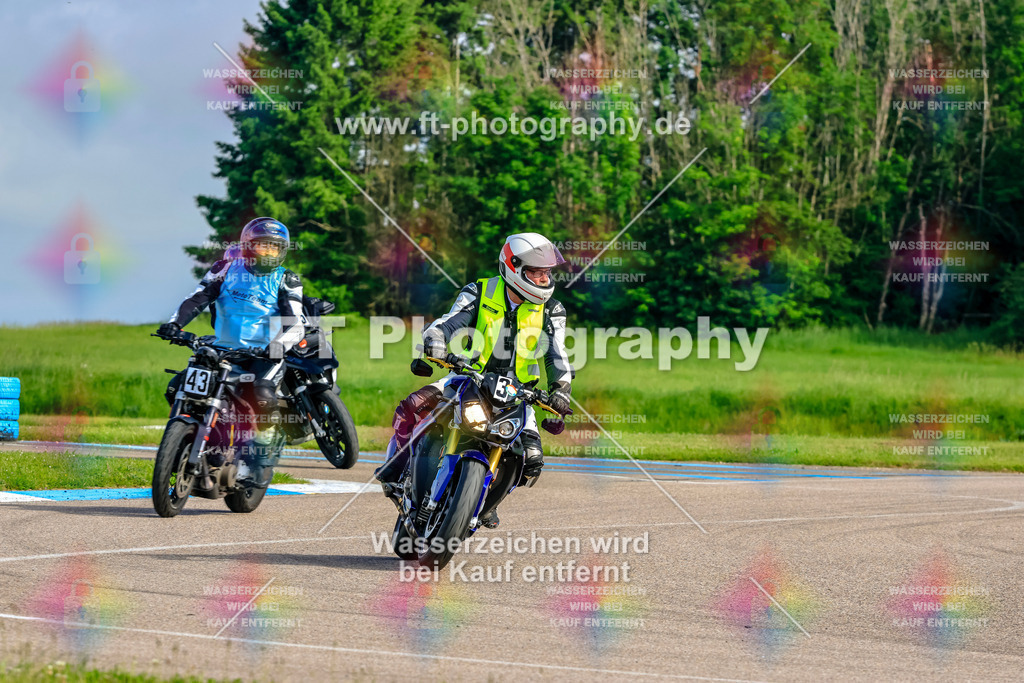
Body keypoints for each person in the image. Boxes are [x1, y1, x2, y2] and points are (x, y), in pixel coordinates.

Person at [375, 232, 573, 528]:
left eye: (546, 273)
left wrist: (561, 391)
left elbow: (557, 355)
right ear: (513, 266)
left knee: (532, 461)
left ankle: (486, 501)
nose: (544, 279)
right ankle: (396, 470)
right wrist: (436, 340)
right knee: (412, 408)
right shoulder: (479, 292)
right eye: (536, 272)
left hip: (520, 396)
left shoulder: (552, 310)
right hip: (469, 379)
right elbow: (449, 321)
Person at [157, 217, 304, 485]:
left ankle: (257, 464)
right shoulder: (224, 269)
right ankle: (201, 443)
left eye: (275, 248)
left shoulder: (287, 279)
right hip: (222, 349)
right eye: (263, 247)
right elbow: (198, 297)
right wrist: (174, 324)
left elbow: (295, 322)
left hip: (263, 355)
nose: (269, 254)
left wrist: (278, 346)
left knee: (262, 398)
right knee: (177, 386)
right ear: (248, 246)